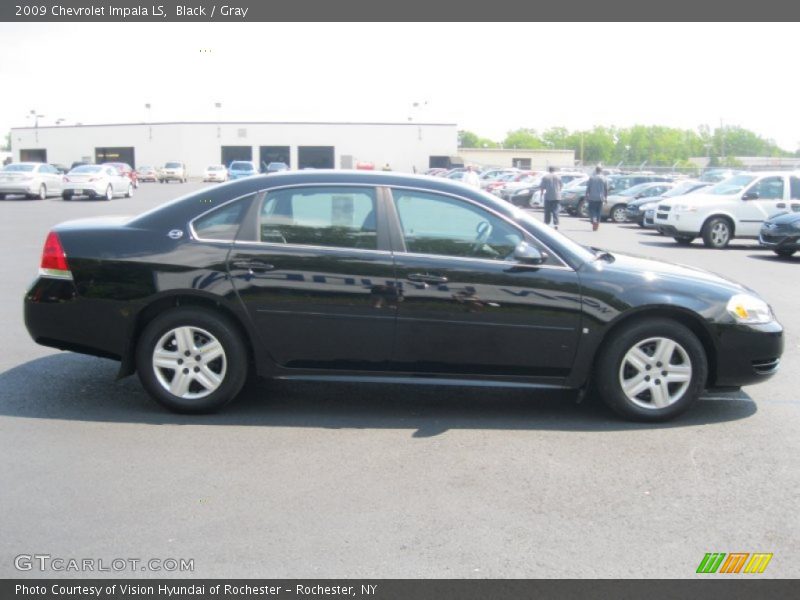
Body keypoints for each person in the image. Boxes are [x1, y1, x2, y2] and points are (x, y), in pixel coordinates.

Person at [585, 166, 608, 231]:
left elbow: (588, 188)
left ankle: (594, 220)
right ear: (601, 171)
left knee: (592, 210)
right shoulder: (604, 178)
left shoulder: (592, 178)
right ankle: (597, 222)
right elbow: (606, 189)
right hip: (600, 198)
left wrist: (586, 196)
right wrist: (606, 198)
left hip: (592, 197)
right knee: (598, 211)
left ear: (596, 170)